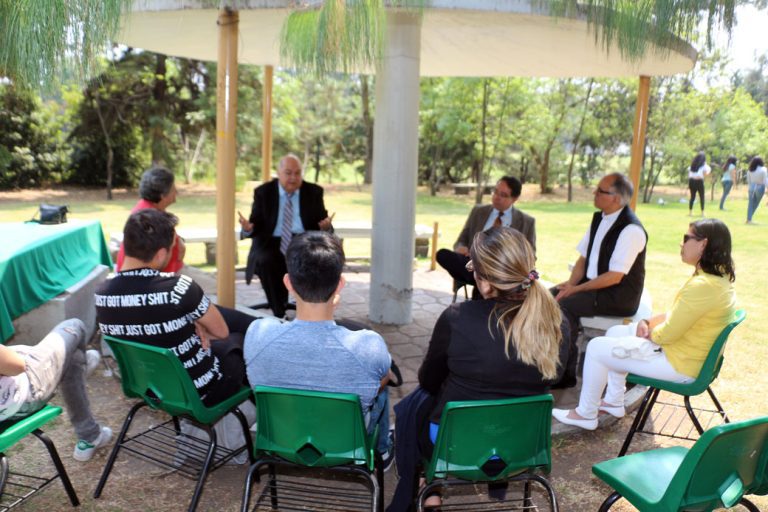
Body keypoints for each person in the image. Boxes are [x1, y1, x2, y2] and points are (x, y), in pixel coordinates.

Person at [388, 227, 568, 511]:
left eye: (473, 267)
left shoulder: (458, 319)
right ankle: (432, 486)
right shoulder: (557, 322)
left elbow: (429, 380)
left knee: (416, 408)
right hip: (523, 443)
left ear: (484, 283)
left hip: (455, 444)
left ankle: (426, 484)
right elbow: (560, 377)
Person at [553, 218, 737, 430]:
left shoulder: (703, 286)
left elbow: (666, 335)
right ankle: (613, 401)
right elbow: (679, 314)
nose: (681, 243)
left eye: (686, 238)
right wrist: (647, 322)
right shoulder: (717, 281)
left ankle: (585, 413)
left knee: (596, 347)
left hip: (680, 365)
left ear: (703, 244)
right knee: (615, 332)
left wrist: (647, 333)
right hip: (686, 357)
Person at [243, 231, 394, 467]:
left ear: (288, 283)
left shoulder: (257, 333)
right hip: (345, 443)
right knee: (382, 388)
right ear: (340, 285)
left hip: (281, 438)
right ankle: (382, 452)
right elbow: (382, 379)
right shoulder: (368, 344)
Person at [96, 209, 255, 407]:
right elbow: (221, 332)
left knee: (229, 321)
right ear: (161, 253)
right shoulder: (178, 289)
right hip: (200, 391)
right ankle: (268, 413)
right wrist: (198, 326)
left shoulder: (102, 294)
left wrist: (195, 323)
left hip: (149, 387)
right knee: (238, 341)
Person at [553, 173, 647, 389]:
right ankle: (555, 367)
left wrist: (575, 290)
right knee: (546, 297)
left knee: (561, 305)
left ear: (616, 198)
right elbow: (583, 258)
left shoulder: (631, 229)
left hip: (617, 296)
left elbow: (614, 276)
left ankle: (562, 373)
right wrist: (570, 284)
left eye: (600, 191)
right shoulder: (600, 217)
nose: (594, 193)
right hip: (594, 287)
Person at [0, 319, 111, 462]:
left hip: (5, 414)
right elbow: (17, 366)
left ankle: (89, 434)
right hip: (25, 394)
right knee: (74, 326)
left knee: (69, 355)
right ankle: (89, 434)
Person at [239, 154, 333, 318]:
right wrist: (248, 228)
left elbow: (322, 223)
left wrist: (326, 227)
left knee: (315, 260)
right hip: (272, 241)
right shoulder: (264, 192)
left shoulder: (314, 192)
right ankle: (279, 313)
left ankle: (310, 312)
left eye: (297, 173)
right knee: (265, 260)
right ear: (279, 173)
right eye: (288, 173)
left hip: (304, 240)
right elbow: (256, 225)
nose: (293, 178)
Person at [436, 176, 535, 294]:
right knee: (442, 254)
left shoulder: (526, 222)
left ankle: (484, 283)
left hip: (502, 270)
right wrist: (460, 247)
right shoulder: (478, 212)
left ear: (515, 198)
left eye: (503, 195)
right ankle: (483, 282)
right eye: (495, 192)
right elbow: (461, 240)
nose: (496, 197)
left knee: (487, 279)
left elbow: (531, 255)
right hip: (471, 263)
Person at [116, 166, 185, 273]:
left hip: (169, 273)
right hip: (159, 279)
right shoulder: (148, 219)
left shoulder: (149, 210)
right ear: (163, 195)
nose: (176, 192)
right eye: (173, 188)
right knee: (218, 285)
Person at [688, 152, 711, 217]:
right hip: (699, 181)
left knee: (692, 197)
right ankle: (702, 212)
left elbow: (689, 174)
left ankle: (690, 212)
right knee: (702, 197)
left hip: (691, 181)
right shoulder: (704, 166)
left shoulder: (692, 165)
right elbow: (706, 173)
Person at [746, 156, 767, 224]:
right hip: (760, 187)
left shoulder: (750, 170)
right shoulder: (763, 169)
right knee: (756, 204)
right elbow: (765, 180)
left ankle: (749, 219)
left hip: (752, 187)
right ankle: (749, 219)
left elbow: (748, 180)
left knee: (750, 204)